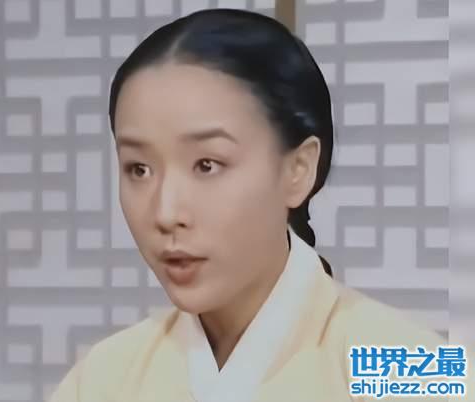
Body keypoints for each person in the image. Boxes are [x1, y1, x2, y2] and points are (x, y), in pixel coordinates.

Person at [49, 8, 446, 402]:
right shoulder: (101, 379)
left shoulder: (413, 368)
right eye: (139, 169)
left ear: (298, 170)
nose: (165, 213)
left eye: (207, 165)